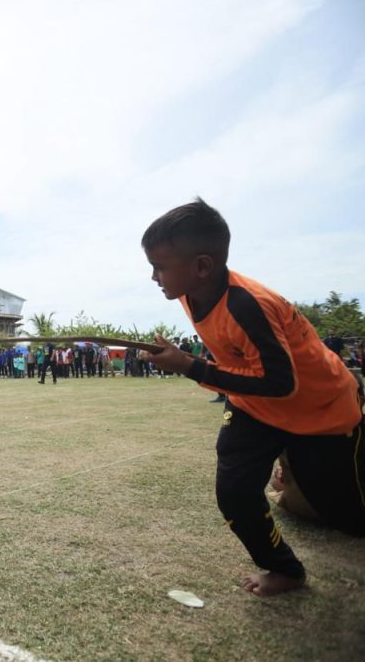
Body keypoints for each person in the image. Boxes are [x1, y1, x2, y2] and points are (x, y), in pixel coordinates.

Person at [140, 198, 363, 597]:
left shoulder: (247, 304)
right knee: (235, 492)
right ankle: (285, 569)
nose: (154, 276)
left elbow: (281, 382)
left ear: (202, 266)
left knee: (343, 512)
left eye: (160, 266)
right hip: (254, 408)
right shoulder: (190, 292)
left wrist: (189, 366)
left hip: (322, 410)